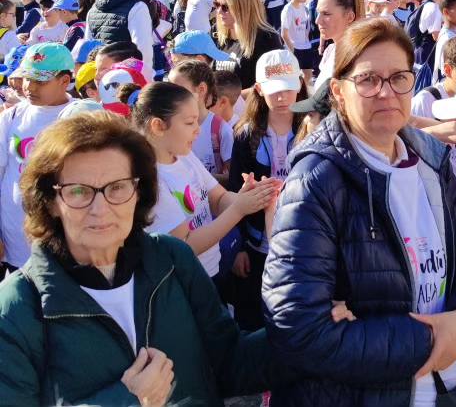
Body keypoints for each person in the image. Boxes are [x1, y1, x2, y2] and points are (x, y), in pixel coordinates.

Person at [262, 17, 456, 404]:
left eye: (399, 78)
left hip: (449, 387)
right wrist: (428, 338)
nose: (387, 93)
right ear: (338, 92)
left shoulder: (431, 158)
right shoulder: (317, 180)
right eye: (368, 80)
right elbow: (295, 326)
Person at [0, 112, 273, 405]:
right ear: (51, 202)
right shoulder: (18, 308)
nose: (100, 209)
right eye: (78, 191)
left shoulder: (171, 259)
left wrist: (313, 321)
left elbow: (230, 362)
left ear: (138, 192)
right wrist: (128, 400)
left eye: (117, 187)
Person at [133, 82, 277, 290]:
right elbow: (186, 244)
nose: (198, 130)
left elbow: (218, 199)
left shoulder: (184, 156)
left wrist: (253, 196)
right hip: (182, 283)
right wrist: (240, 208)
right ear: (158, 126)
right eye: (190, 123)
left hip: (211, 269)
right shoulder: (150, 178)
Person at [228, 50, 306, 329]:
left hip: (303, 242)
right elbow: (235, 191)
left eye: (288, 89)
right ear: (259, 90)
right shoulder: (246, 134)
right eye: (274, 91)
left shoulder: (314, 128)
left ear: (299, 84)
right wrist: (238, 247)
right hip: (257, 243)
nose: (282, 98)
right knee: (254, 318)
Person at [0, 43, 75, 272]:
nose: (29, 87)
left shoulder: (77, 117)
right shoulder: (12, 117)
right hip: (13, 244)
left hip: (61, 246)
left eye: (40, 81)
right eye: (26, 78)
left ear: (64, 81)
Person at [212, 0, 285, 91]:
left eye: (225, 7)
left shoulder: (267, 38)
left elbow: (274, 83)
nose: (219, 11)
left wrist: (232, 99)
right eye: (216, 5)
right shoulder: (217, 33)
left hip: (249, 107)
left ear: (243, 8)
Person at [168, 59, 234, 181]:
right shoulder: (169, 125)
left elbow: (232, 177)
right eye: (170, 89)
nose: (172, 95)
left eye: (179, 90)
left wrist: (197, 177)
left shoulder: (220, 129)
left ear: (201, 89)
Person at [86, 0, 156, 70]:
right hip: (126, 75)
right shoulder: (137, 6)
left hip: (100, 73)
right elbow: (143, 48)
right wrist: (145, 77)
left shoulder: (94, 8)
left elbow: (88, 45)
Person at [313, 0, 362, 87]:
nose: (317, 21)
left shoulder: (357, 59)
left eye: (326, 14)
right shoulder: (330, 51)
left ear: (349, 17)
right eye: (318, 13)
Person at [281, 0, 316, 86]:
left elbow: (306, 28)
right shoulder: (288, 10)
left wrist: (307, 42)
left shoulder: (304, 7)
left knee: (308, 78)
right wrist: (292, 49)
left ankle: (308, 99)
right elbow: (284, 33)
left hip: (305, 47)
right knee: (294, 80)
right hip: (295, 49)